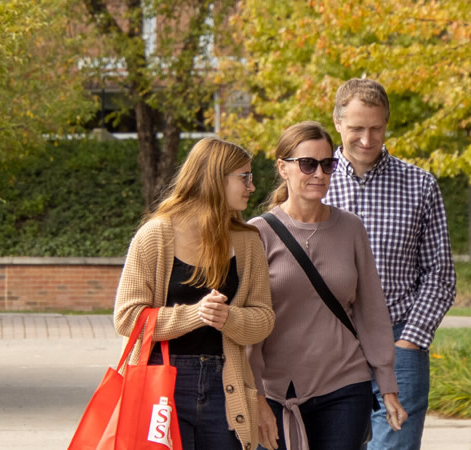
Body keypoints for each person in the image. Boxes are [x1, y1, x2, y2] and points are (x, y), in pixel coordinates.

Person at [248, 122, 407, 450]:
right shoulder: (257, 234)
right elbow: (248, 323)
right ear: (283, 168)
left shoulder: (351, 228)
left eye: (327, 164)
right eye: (308, 164)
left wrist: (387, 385)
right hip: (278, 391)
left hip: (345, 384)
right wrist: (255, 394)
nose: (319, 173)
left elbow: (372, 312)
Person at [113, 137, 279, 450]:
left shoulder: (247, 241)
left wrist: (228, 317)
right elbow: (127, 318)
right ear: (215, 178)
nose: (252, 186)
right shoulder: (155, 235)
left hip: (223, 381)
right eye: (244, 177)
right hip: (160, 382)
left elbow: (263, 319)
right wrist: (195, 314)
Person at [322, 78, 457, 450]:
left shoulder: (420, 185)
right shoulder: (313, 181)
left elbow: (440, 275)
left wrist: (411, 340)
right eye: (356, 129)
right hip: (327, 343)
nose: (367, 139)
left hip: (398, 338)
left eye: (376, 128)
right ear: (337, 123)